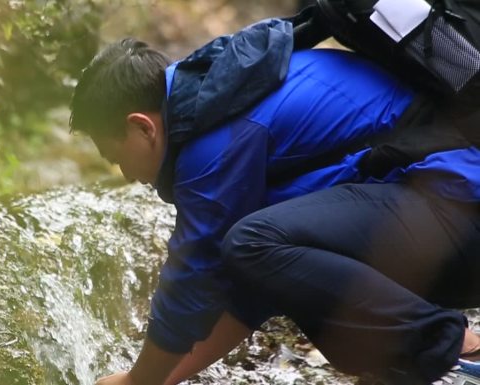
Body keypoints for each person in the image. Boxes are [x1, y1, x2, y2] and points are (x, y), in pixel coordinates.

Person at [69, 18, 480, 385]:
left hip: (457, 209)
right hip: (444, 220)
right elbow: (252, 290)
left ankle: (456, 345)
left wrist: (139, 380)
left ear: (141, 127)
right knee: (293, 285)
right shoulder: (216, 95)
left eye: (115, 155)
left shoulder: (210, 143)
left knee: (251, 243)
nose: (124, 173)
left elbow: (192, 277)